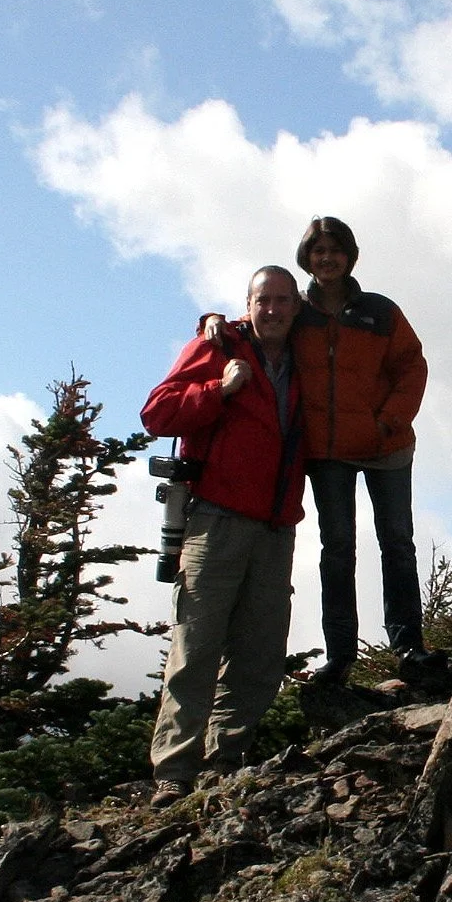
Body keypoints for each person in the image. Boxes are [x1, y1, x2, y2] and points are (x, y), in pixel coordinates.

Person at [139, 266, 306, 804]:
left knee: (259, 649)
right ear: (248, 304)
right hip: (216, 516)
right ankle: (174, 770)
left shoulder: (304, 354)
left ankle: (225, 759)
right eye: (265, 300)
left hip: (276, 524)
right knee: (198, 642)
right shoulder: (219, 345)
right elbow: (157, 413)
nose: (274, 310)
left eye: (284, 301)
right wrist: (219, 388)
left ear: (296, 307)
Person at [290, 216, 439, 685]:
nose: (327, 259)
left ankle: (409, 648)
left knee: (396, 544)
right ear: (307, 259)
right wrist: (209, 320)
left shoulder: (380, 311)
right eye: (319, 251)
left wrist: (388, 421)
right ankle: (340, 657)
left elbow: (412, 367)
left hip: (385, 447)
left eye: (335, 250)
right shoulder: (296, 313)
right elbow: (252, 324)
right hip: (328, 452)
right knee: (337, 550)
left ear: (350, 256)